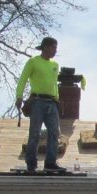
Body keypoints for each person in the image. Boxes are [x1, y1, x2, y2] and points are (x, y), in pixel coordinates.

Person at [15, 37, 66, 173]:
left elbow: (54, 84)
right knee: (35, 133)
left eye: (56, 48)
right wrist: (19, 96)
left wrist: (58, 100)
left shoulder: (55, 65)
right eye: (53, 47)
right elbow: (23, 79)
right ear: (45, 47)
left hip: (52, 102)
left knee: (54, 132)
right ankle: (31, 163)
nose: (55, 50)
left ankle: (50, 162)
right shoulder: (33, 62)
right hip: (37, 101)